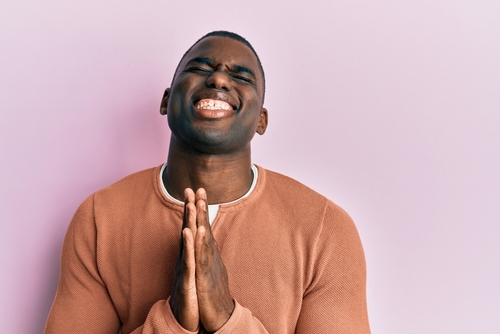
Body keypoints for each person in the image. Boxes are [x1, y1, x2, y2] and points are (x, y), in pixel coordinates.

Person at [44, 31, 370, 333]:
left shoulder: (325, 229)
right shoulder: (99, 218)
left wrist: (228, 317)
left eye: (241, 76)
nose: (218, 78)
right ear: (166, 100)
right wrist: (172, 321)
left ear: (261, 120)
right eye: (200, 69)